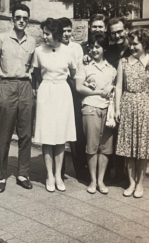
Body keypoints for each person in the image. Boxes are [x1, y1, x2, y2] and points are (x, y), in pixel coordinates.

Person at [0, 4, 35, 193]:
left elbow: (34, 66)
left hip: (25, 87)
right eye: (18, 17)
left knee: (25, 134)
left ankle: (23, 173)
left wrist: (31, 79)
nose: (21, 20)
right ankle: (0, 176)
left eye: (25, 17)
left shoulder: (32, 42)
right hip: (6, 87)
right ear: (12, 19)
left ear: (28, 20)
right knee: (4, 134)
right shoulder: (0, 39)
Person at [115, 27, 149, 198]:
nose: (132, 47)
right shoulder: (123, 62)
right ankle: (131, 183)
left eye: (135, 44)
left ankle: (140, 184)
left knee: (142, 149)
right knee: (128, 149)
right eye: (131, 43)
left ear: (144, 43)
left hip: (145, 107)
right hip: (128, 105)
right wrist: (117, 108)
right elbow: (119, 87)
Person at [33, 18, 76, 192]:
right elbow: (36, 73)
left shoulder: (67, 51)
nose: (44, 36)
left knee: (60, 136)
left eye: (47, 33)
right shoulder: (39, 51)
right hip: (46, 92)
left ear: (56, 34)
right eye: (43, 33)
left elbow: (73, 72)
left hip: (62, 93)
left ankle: (58, 175)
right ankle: (49, 175)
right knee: (48, 136)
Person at [75, 33, 116, 194]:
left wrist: (111, 88)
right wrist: (99, 92)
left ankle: (101, 181)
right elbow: (79, 87)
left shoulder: (111, 69)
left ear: (104, 48)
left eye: (97, 47)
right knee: (92, 146)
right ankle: (92, 181)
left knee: (105, 147)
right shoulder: (85, 66)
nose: (94, 50)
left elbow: (115, 86)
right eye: (91, 47)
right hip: (90, 108)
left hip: (108, 110)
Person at [58, 17, 87, 179]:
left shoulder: (77, 48)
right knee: (61, 130)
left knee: (77, 131)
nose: (67, 34)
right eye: (64, 31)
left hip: (75, 89)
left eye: (69, 31)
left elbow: (80, 69)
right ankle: (59, 170)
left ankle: (80, 170)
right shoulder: (55, 47)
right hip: (62, 88)